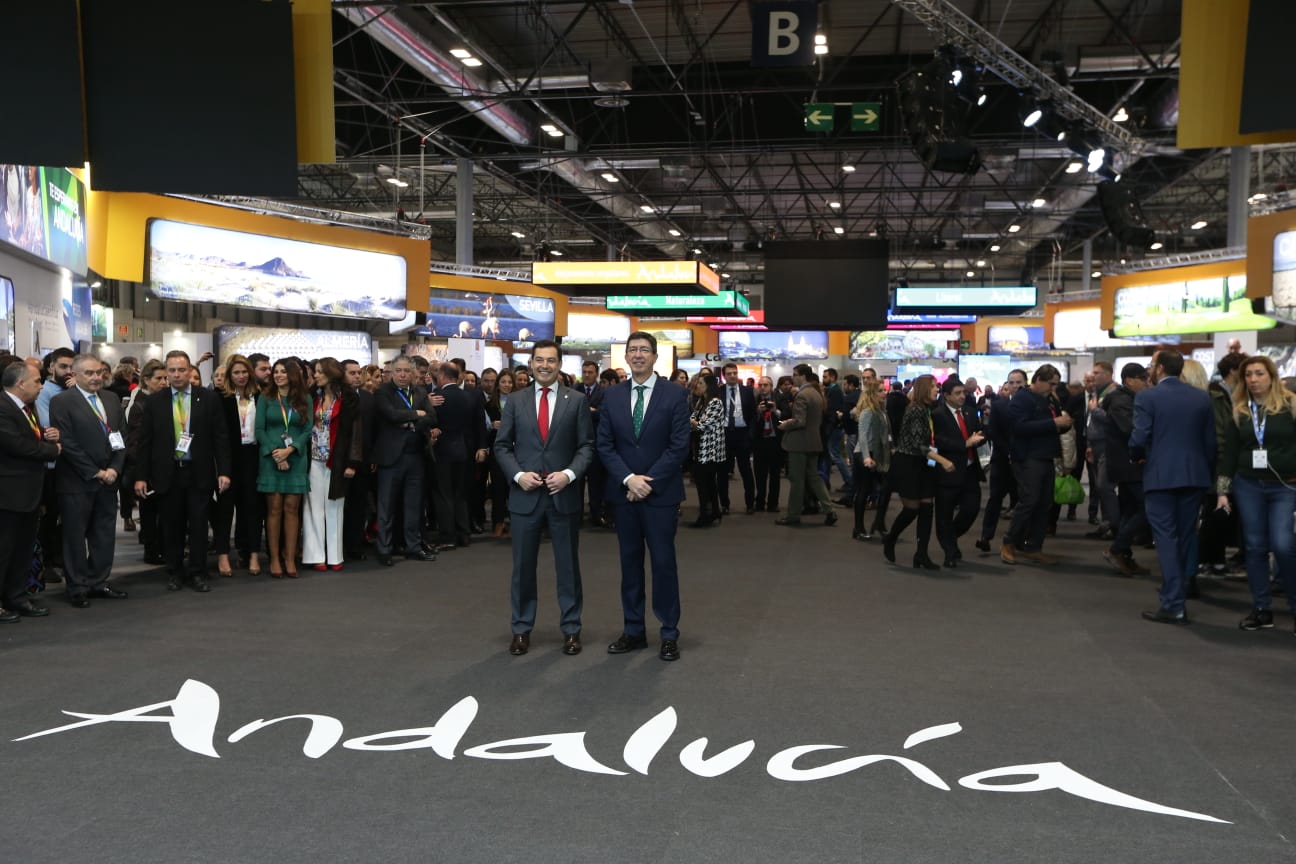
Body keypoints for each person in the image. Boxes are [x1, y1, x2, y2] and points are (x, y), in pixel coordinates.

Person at [493, 340, 594, 656]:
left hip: (563, 497)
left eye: (551, 360)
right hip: (525, 497)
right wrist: (518, 475)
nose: (545, 365)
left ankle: (572, 629)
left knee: (568, 568)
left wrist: (569, 474)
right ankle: (521, 629)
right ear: (531, 363)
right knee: (522, 568)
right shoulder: (515, 401)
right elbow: (502, 446)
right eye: (539, 360)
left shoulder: (576, 401)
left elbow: (587, 447)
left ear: (559, 364)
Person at [597, 331, 691, 661]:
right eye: (633, 350)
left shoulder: (675, 395)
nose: (638, 355)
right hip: (624, 495)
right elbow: (605, 445)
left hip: (660, 494)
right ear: (625, 357)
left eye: (644, 350)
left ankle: (668, 633)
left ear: (654, 357)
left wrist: (646, 482)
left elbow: (679, 446)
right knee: (630, 565)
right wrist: (628, 479)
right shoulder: (612, 396)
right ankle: (633, 630)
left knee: (664, 564)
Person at [132, 351, 232, 592]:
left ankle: (198, 572)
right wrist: (141, 476)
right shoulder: (155, 401)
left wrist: (224, 471)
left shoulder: (208, 399)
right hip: (167, 474)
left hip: (199, 472)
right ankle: (175, 572)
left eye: (181, 369)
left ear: (190, 371)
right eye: (172, 370)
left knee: (198, 526)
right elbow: (145, 442)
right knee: (171, 526)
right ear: (167, 372)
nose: (177, 374)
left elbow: (221, 438)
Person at [1129, 350, 1216, 625]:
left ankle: (1174, 604)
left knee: (1166, 538)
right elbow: (1211, 442)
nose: (1149, 370)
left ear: (1161, 368)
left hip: (1160, 475)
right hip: (1195, 476)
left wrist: (1136, 456)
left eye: (1152, 366)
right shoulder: (1201, 397)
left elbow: (1139, 436)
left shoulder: (1147, 396)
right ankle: (1174, 595)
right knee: (1185, 537)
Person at [1216, 355, 1296, 633]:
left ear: (1271, 376)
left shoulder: (1291, 406)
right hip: (1248, 484)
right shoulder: (1241, 410)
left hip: (1285, 486)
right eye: (1248, 374)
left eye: (1259, 374)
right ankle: (1262, 609)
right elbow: (1230, 453)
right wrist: (1223, 490)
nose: (1253, 379)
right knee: (1254, 547)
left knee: (1284, 545)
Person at [49, 354, 129, 608]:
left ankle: (98, 581)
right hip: (77, 481)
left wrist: (114, 469)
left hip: (109, 480)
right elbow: (67, 443)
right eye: (89, 373)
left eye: (100, 372)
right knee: (75, 536)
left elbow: (121, 437)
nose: (96, 377)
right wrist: (95, 471)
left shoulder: (111, 399)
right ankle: (77, 587)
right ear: (75, 373)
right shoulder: (61, 402)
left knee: (104, 534)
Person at [0, 361, 61, 622]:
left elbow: (31, 439)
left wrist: (49, 437)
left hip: (29, 493)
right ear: (20, 383)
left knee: (22, 550)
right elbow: (17, 445)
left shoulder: (27, 406)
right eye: (37, 381)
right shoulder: (3, 408)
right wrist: (52, 450)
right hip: (8, 495)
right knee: (3, 551)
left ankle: (16, 597)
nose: (41, 386)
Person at [881, 375, 955, 569]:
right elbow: (918, 445)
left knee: (926, 507)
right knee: (911, 508)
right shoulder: (915, 410)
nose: (936, 390)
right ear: (923, 389)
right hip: (909, 464)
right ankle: (891, 538)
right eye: (933, 387)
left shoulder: (927, 409)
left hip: (924, 463)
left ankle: (921, 554)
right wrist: (943, 461)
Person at [1000, 365, 1071, 566]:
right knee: (1029, 500)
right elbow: (1018, 427)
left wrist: (1064, 424)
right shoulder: (1023, 399)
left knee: (1044, 503)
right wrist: (1053, 423)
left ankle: (1033, 546)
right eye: (1051, 384)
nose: (1053, 388)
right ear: (1038, 379)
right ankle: (1009, 542)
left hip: (1046, 456)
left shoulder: (1049, 399)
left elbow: (1054, 426)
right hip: (1027, 457)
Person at [373, 356, 438, 566]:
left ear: (412, 373)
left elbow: (432, 417)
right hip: (391, 458)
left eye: (406, 371)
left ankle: (413, 547)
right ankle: (384, 549)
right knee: (386, 507)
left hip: (416, 456)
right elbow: (390, 415)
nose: (402, 375)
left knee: (414, 506)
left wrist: (410, 421)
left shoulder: (419, 391)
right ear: (391, 372)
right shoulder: (383, 391)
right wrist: (415, 414)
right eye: (398, 371)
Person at [300, 358, 363, 571]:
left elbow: (356, 432)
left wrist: (352, 462)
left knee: (334, 507)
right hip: (313, 460)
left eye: (319, 372)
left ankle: (335, 556)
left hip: (337, 461)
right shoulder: (311, 396)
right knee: (312, 508)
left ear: (331, 373)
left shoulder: (349, 398)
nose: (315, 375)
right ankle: (315, 555)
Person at [256, 359, 312, 579]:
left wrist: (291, 450)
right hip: (271, 459)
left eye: (282, 372)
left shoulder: (304, 398)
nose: (278, 375)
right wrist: (276, 453)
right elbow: (260, 430)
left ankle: (290, 558)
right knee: (274, 509)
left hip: (296, 458)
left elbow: (307, 430)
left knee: (291, 509)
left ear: (291, 375)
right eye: (275, 372)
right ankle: (275, 559)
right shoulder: (266, 397)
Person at [212, 354, 263, 578]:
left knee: (252, 508)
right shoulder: (219, 398)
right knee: (225, 509)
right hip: (228, 458)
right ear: (229, 376)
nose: (241, 376)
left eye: (244, 372)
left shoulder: (260, 396)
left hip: (253, 457)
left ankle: (252, 553)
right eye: (236, 373)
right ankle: (223, 553)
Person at [1101, 364, 1153, 578]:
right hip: (1129, 464)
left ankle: (1124, 554)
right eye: (1143, 378)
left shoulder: (1127, 400)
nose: (1147, 383)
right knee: (1147, 509)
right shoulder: (1122, 402)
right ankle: (1118, 549)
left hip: (1128, 463)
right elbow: (1131, 430)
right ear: (1130, 380)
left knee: (1130, 510)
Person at [932, 376, 985, 567]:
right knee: (944, 514)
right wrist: (964, 444)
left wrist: (981, 437)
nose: (963, 396)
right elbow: (938, 441)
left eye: (964, 392)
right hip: (948, 469)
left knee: (971, 508)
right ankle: (949, 551)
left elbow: (979, 434)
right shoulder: (937, 414)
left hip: (970, 469)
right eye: (958, 393)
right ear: (946, 396)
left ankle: (950, 537)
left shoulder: (971, 412)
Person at [775, 365, 837, 527]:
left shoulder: (802, 395)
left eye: (795, 375)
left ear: (803, 376)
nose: (793, 378)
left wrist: (786, 425)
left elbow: (800, 421)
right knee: (814, 477)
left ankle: (793, 515)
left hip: (799, 443)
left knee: (797, 480)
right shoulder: (816, 393)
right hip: (813, 441)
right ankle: (829, 509)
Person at [428, 362, 478, 551]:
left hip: (442, 451)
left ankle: (448, 537)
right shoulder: (468, 396)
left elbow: (431, 420)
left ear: (442, 376)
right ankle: (463, 534)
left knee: (443, 495)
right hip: (462, 451)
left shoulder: (437, 397)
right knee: (460, 495)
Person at [976, 368, 1025, 553]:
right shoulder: (999, 406)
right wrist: (1008, 452)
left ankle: (1018, 539)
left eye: (1018, 382)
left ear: (1025, 383)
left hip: (1024, 461)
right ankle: (985, 536)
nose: (1014, 386)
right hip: (1002, 460)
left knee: (1022, 500)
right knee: (995, 499)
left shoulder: (1032, 404)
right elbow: (994, 432)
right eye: (1011, 383)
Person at [125, 360, 168, 565]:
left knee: (162, 513)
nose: (163, 382)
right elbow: (137, 444)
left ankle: (160, 548)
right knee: (150, 513)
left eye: (165, 378)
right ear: (146, 380)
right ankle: (152, 551)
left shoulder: (162, 400)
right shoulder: (141, 405)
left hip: (163, 466)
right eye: (158, 379)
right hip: (147, 468)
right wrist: (143, 473)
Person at [851, 378, 889, 540]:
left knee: (885, 489)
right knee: (864, 491)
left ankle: (879, 523)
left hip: (877, 454)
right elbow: (863, 437)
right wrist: (866, 457)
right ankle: (858, 528)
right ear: (872, 394)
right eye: (880, 391)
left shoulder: (881, 411)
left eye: (884, 390)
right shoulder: (867, 411)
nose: (884, 393)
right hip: (865, 454)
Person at [688, 373, 727, 528]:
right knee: (707, 483)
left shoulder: (715, 402)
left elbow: (703, 424)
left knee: (704, 484)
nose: (698, 385)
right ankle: (713, 512)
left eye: (701, 383)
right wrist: (693, 422)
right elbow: (693, 420)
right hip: (700, 448)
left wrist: (693, 422)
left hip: (709, 450)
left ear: (709, 385)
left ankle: (706, 514)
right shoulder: (701, 402)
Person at [485, 369, 515, 537]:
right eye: (503, 382)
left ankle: (515, 521)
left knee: (515, 488)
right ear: (498, 385)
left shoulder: (520, 402)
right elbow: (482, 428)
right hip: (497, 451)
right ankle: (498, 522)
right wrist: (491, 426)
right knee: (498, 488)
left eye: (509, 382)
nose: (506, 385)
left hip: (516, 451)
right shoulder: (489, 405)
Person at [752, 375, 782, 513]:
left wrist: (775, 411)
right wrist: (758, 413)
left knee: (775, 474)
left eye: (766, 385)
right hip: (760, 441)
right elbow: (750, 421)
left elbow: (787, 415)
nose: (763, 387)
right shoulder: (754, 401)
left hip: (775, 441)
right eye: (761, 385)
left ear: (771, 386)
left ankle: (773, 503)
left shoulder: (778, 399)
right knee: (760, 474)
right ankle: (760, 501)